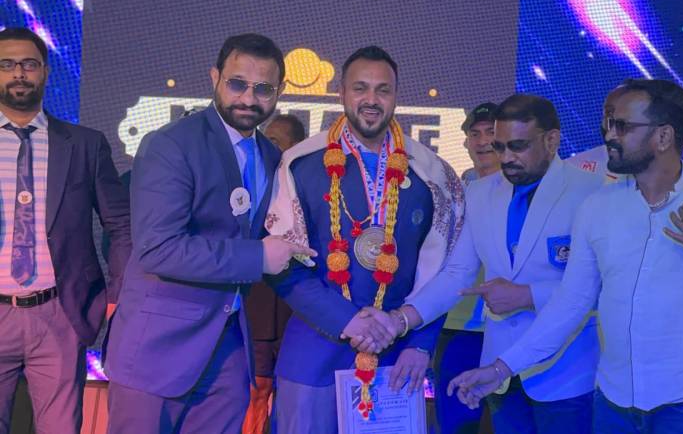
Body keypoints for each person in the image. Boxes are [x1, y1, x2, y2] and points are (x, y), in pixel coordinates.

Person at [448, 79, 683, 434]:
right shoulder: (598, 207)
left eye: (622, 126)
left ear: (663, 137)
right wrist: (501, 368)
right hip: (613, 405)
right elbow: (570, 303)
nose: (609, 136)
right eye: (608, 124)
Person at [105, 33, 314, 433]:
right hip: (157, 348)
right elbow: (158, 249)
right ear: (215, 77)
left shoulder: (272, 156)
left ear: (280, 91)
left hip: (228, 348)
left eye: (263, 89)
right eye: (237, 83)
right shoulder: (171, 144)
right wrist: (258, 257)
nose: (249, 98)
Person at [265, 46, 465, 433]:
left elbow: (446, 272)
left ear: (396, 95)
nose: (371, 99)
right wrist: (347, 320)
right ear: (341, 92)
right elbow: (283, 266)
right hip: (314, 352)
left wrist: (421, 342)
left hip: (398, 354)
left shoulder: (434, 174)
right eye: (360, 88)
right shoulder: (299, 164)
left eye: (382, 89)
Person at [392, 94, 603, 433]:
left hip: (568, 373)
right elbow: (457, 274)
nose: (506, 158)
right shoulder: (479, 193)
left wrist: (528, 295)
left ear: (552, 140)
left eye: (518, 146)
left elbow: (599, 288)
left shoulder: (592, 192)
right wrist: (400, 319)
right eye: (500, 146)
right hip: (499, 370)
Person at [0, 27, 131, 434]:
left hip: (59, 313)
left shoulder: (85, 144)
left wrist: (115, 296)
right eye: (7, 64)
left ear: (45, 71)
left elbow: (121, 225)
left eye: (29, 64)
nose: (18, 73)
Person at [432, 102, 499, 434]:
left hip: (508, 326)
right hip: (457, 326)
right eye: (476, 133)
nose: (483, 141)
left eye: (491, 133)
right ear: (465, 141)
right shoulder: (452, 193)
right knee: (456, 422)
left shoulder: (524, 193)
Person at [241, 113, 307, 434]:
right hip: (257, 308)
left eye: (276, 142)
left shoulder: (312, 186)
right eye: (266, 140)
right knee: (256, 392)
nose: (268, 148)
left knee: (292, 398)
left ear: (296, 148)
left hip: (297, 312)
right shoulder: (251, 182)